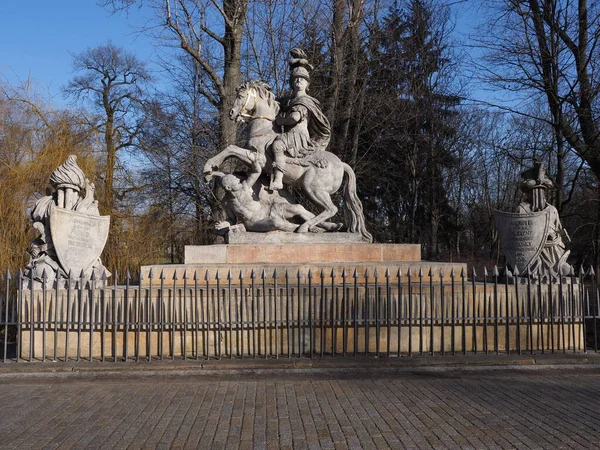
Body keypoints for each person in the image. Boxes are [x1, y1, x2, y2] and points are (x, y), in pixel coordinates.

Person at [269, 49, 331, 190]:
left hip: (298, 135)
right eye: (296, 79)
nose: (298, 81)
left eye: (302, 79)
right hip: (291, 134)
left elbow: (295, 117)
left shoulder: (305, 100)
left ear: (307, 84)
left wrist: (281, 121)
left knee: (278, 145)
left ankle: (278, 179)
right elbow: (277, 103)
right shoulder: (290, 100)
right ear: (292, 83)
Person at [516, 161, 572, 276]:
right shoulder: (522, 209)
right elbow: (518, 235)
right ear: (528, 192)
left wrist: (561, 235)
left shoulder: (552, 210)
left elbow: (558, 229)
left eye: (541, 190)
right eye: (534, 191)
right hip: (532, 251)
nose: (538, 194)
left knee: (566, 270)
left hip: (553, 250)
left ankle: (555, 268)